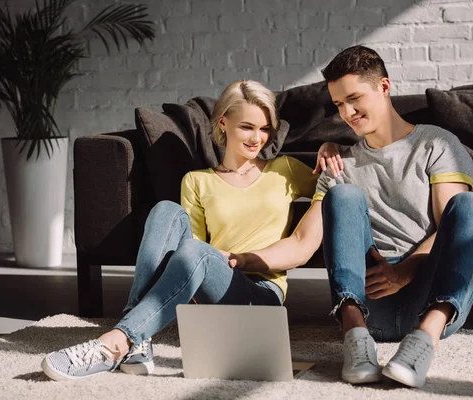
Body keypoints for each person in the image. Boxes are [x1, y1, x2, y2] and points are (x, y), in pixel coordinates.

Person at [41, 80, 322, 381]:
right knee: (165, 210)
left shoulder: (286, 169)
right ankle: (139, 340)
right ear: (223, 123)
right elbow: (193, 247)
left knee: (197, 252)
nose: (258, 138)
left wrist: (329, 150)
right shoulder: (197, 181)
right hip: (215, 280)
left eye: (265, 129)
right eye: (247, 127)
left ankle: (116, 342)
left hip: (261, 291)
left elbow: (331, 181)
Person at [310, 45, 473, 388]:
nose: (347, 112)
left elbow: (452, 227)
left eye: (354, 98)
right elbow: (304, 242)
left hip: (431, 297)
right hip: (367, 302)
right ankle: (356, 339)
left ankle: (424, 341)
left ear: (383, 87)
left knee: (472, 206)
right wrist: (237, 260)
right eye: (338, 105)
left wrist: (406, 270)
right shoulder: (338, 164)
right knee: (342, 193)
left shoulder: (437, 144)